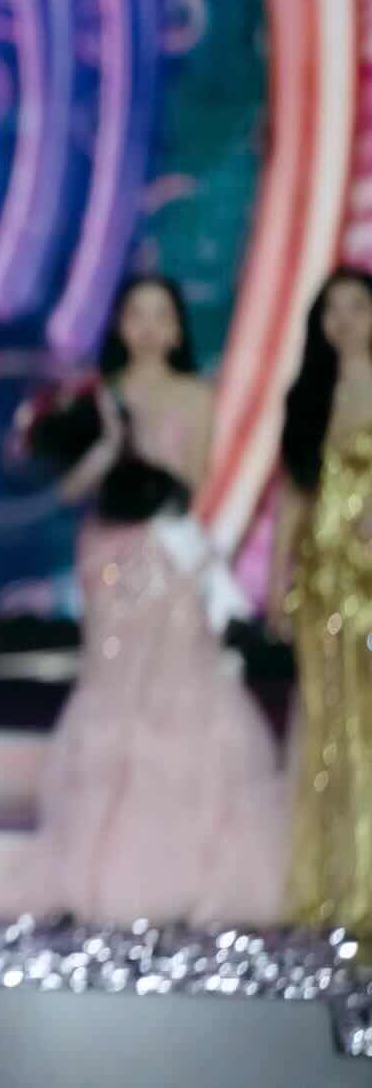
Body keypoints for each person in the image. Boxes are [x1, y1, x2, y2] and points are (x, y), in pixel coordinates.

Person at [0, 274, 283, 924]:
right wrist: (107, 451)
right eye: (136, 314)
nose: (148, 327)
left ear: (177, 328)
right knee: (114, 694)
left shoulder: (197, 395)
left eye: (161, 315)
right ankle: (100, 867)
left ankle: (185, 870)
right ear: (120, 324)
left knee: (178, 691)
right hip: (109, 557)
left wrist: (149, 485)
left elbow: (195, 482)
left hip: (168, 552)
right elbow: (70, 491)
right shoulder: (96, 396)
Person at [277, 268, 372, 933]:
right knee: (328, 732)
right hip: (322, 583)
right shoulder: (308, 396)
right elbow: (294, 498)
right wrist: (278, 580)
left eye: (357, 306)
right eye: (330, 309)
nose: (343, 320)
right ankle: (334, 889)